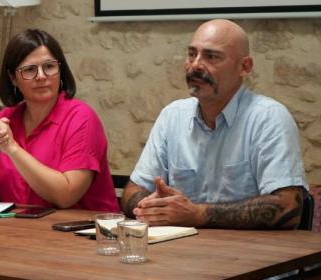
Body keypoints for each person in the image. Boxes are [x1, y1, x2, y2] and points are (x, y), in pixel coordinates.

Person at [121, 19, 308, 229]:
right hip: (179, 252)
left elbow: (288, 208)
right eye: (192, 54)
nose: (196, 65)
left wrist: (197, 215)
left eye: (211, 56)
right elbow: (131, 192)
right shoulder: (173, 116)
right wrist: (149, 206)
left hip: (249, 255)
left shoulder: (268, 117)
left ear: (244, 67)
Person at [0, 29, 119, 211]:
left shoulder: (81, 118)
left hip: (82, 234)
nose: (41, 76)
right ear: (13, 78)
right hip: (18, 232)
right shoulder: (4, 119)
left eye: (49, 67)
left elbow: (66, 196)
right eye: (29, 70)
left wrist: (12, 148)